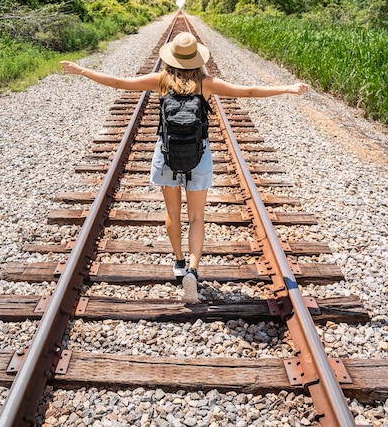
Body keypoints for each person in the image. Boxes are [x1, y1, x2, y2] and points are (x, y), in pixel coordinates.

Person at [60, 32, 308, 303]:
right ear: (196, 59)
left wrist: (81, 70)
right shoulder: (207, 83)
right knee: (198, 217)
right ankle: (192, 268)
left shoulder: (161, 80)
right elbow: (247, 91)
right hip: (198, 155)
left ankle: (178, 260)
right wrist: (286, 88)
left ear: (172, 58)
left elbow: (120, 83)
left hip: (166, 155)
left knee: (172, 212)